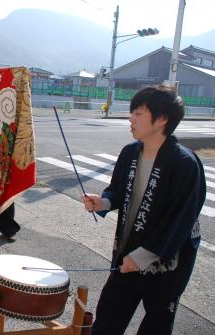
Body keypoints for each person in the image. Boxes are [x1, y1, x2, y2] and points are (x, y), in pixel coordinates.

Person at [82, 85, 206, 335]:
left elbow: (180, 221)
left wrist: (142, 257)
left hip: (166, 263)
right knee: (107, 320)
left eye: (138, 113)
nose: (131, 119)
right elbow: (117, 190)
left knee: (156, 324)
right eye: (132, 113)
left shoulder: (185, 164)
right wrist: (102, 202)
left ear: (162, 119)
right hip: (128, 253)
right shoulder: (130, 153)